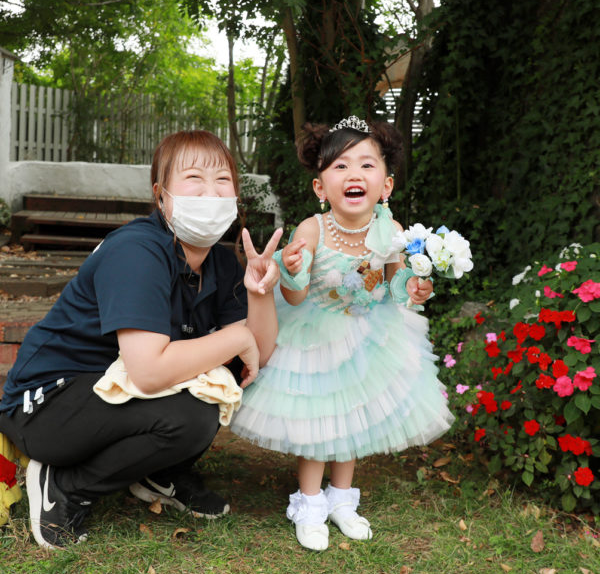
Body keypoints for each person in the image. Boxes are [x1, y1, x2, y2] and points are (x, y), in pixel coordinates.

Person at [0, 129, 282, 550]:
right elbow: (149, 371)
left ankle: (159, 473)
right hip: (48, 406)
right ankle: (64, 483)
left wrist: (260, 295)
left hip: (111, 396)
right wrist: (237, 336)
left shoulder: (221, 262)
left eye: (223, 181)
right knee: (192, 414)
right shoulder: (137, 250)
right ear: (161, 194)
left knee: (222, 378)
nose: (210, 193)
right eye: (193, 179)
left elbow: (254, 357)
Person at [230, 116, 454, 551]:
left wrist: (413, 287)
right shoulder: (312, 230)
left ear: (386, 186)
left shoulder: (392, 232)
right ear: (320, 188)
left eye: (367, 166)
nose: (355, 175)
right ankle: (309, 503)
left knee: (353, 417)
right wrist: (292, 273)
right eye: (341, 166)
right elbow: (294, 299)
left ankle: (342, 500)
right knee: (319, 419)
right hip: (316, 332)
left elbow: (394, 285)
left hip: (369, 332)